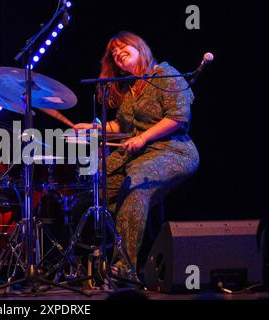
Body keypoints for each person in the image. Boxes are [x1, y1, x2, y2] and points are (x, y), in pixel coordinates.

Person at [74, 31, 200, 277]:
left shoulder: (166, 74)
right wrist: (94, 128)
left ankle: (124, 267)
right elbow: (123, 127)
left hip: (172, 150)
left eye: (123, 48)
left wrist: (143, 137)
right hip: (136, 154)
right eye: (114, 53)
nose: (118, 54)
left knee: (135, 187)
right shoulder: (131, 89)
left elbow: (178, 117)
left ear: (140, 48)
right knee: (97, 189)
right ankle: (87, 261)